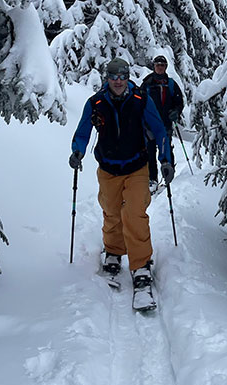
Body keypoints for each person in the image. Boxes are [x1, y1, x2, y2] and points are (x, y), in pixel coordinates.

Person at [69, 58, 174, 290]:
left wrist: (165, 159)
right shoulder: (96, 102)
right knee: (112, 212)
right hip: (108, 168)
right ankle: (114, 252)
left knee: (134, 213)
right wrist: (77, 151)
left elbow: (158, 129)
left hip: (137, 166)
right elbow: (83, 131)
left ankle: (141, 264)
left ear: (128, 78)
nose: (118, 81)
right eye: (114, 77)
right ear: (107, 78)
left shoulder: (140, 99)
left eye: (122, 76)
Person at [140, 54, 184, 191]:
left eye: (162, 65)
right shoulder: (147, 83)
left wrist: (176, 111)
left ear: (165, 67)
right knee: (150, 152)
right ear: (154, 66)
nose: (159, 67)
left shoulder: (170, 84)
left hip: (165, 123)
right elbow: (139, 103)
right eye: (157, 65)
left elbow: (179, 102)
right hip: (149, 125)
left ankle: (168, 174)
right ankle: (152, 179)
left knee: (166, 149)